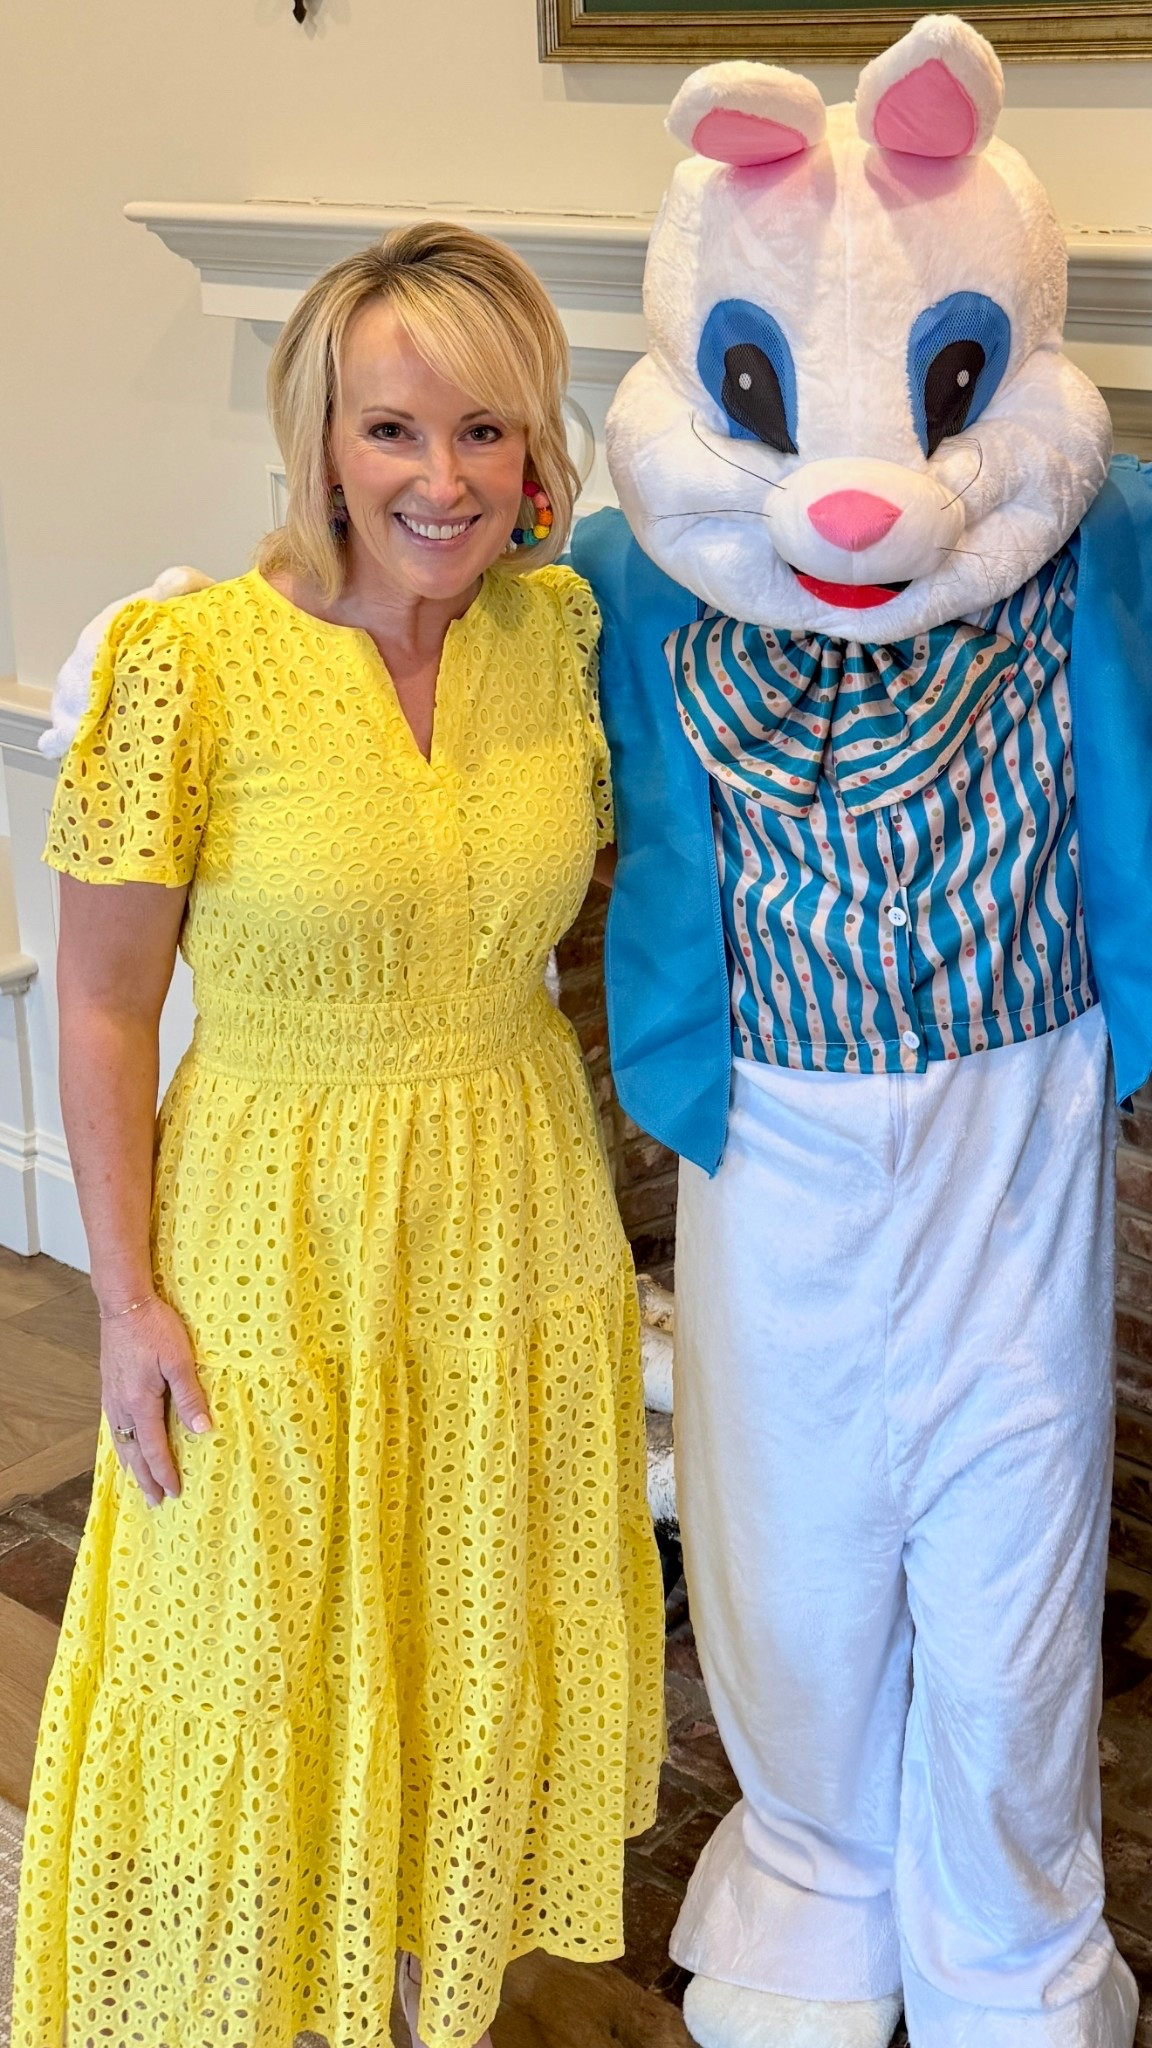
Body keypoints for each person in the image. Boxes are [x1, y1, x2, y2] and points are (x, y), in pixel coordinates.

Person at [12, 221, 665, 2048]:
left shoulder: (565, 636)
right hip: (269, 1222)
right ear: (317, 437)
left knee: (465, 1629)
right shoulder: (184, 662)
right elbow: (102, 1000)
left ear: (535, 448)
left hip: (517, 1207)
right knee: (247, 1644)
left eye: (483, 429)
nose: (439, 478)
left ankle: (423, 1998)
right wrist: (125, 1303)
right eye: (391, 429)